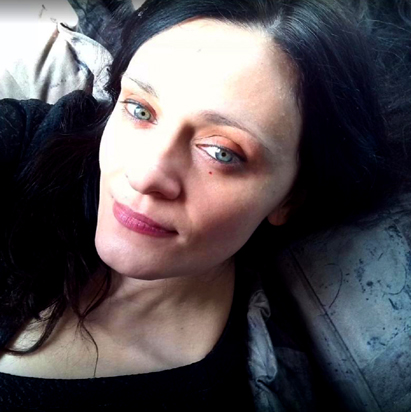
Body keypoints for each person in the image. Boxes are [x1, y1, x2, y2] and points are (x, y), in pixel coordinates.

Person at [0, 0, 409, 410]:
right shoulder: (34, 142)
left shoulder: (224, 396)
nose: (144, 176)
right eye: (140, 109)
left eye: (221, 152)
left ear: (290, 198)